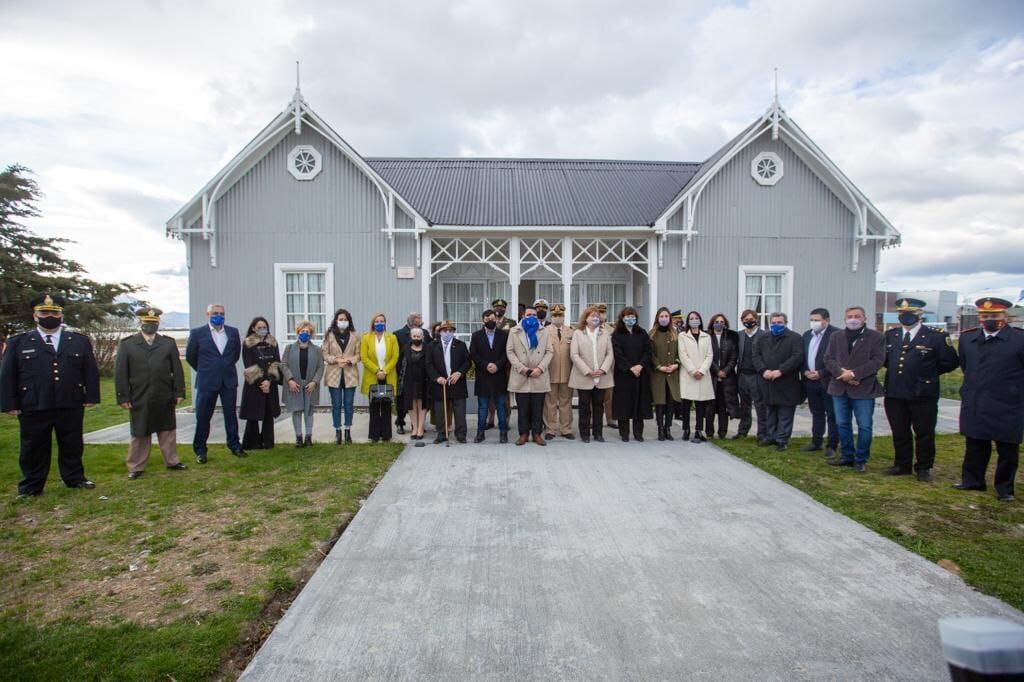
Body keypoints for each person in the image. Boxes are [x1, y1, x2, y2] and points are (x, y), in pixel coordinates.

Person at [1, 294, 100, 496]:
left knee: (72, 443)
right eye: (44, 312)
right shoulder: (18, 342)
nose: (50, 316)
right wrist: (9, 403)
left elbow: (90, 370)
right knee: (33, 446)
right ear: (35, 315)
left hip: (69, 401)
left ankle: (75, 478)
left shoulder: (78, 341)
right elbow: (7, 374)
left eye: (54, 312)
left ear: (61, 315)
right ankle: (31, 486)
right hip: (34, 402)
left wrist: (91, 396)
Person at [952, 297, 1023, 503]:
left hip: (1008, 402)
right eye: (985, 316)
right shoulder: (968, 339)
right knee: (975, 443)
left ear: (1005, 316)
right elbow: (966, 366)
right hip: (976, 399)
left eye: (994, 315)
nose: (989, 319)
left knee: (1007, 448)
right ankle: (973, 480)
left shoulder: (1019, 339)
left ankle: (1004, 488)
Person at [882, 298, 959, 482]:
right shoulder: (890, 335)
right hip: (895, 392)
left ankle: (924, 467)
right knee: (900, 431)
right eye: (902, 313)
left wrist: (927, 374)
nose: (906, 316)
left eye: (910, 313)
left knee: (924, 432)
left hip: (923, 394)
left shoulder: (936, 336)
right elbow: (885, 360)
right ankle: (902, 464)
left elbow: (950, 362)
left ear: (920, 314)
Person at [115, 307, 189, 480]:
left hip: (164, 393)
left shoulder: (168, 343)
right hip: (139, 395)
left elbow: (176, 370)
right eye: (147, 323)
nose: (150, 326)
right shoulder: (128, 344)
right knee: (140, 432)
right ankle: (136, 466)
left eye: (154, 323)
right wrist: (123, 397)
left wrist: (179, 392)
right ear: (140, 323)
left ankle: (172, 461)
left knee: (167, 430)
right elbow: (121, 373)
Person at [824, 306, 885, 471]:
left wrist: (854, 374)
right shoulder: (836, 336)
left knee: (864, 425)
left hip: (863, 388)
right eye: (850, 316)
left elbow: (877, 361)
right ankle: (847, 455)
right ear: (845, 319)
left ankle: (861, 458)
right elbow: (828, 359)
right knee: (842, 423)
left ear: (864, 318)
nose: (853, 319)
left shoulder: (876, 337)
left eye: (857, 316)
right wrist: (842, 374)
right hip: (839, 387)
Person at [185, 303, 245, 463]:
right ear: (208, 314)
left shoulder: (232, 332)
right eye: (215, 313)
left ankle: (234, 445)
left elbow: (235, 355)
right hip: (207, 381)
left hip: (228, 381)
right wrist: (206, 369)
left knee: (230, 415)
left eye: (222, 313)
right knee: (203, 416)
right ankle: (200, 449)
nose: (219, 316)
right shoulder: (198, 333)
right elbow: (191, 356)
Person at [753, 312, 805, 451]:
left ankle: (782, 439)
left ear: (785, 323)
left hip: (787, 381)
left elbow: (797, 357)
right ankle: (770, 436)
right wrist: (763, 370)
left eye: (779, 322)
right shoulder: (763, 337)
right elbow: (756, 355)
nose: (776, 325)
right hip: (768, 380)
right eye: (773, 322)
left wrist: (780, 370)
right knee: (770, 411)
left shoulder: (795, 338)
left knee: (785, 413)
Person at [507, 305, 553, 446]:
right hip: (521, 375)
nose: (531, 317)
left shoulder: (544, 331)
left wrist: (540, 368)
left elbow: (549, 351)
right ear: (523, 316)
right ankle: (523, 434)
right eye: (528, 315)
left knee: (537, 409)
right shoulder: (514, 331)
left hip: (539, 375)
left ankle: (537, 434)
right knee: (523, 409)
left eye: (534, 315)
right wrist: (522, 369)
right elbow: (510, 352)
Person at [570, 306, 614, 443]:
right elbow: (574, 354)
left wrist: (603, 369)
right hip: (584, 376)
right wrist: (588, 370)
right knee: (584, 407)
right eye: (591, 316)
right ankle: (584, 433)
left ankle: (598, 433)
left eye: (597, 316)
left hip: (601, 376)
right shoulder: (578, 333)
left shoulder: (605, 333)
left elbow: (609, 353)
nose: (594, 318)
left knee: (598, 406)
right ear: (586, 318)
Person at [240, 316, 282, 451]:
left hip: (270, 383)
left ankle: (268, 442)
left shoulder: (273, 342)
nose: (263, 330)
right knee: (253, 414)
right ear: (253, 328)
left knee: (268, 413)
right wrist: (261, 382)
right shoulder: (248, 343)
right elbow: (248, 364)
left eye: (265, 327)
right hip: (254, 383)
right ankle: (252, 442)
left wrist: (269, 381)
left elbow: (276, 362)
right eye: (259, 328)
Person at [802, 308, 839, 458]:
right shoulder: (806, 335)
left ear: (826, 320)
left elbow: (838, 359)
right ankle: (816, 441)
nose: (814, 323)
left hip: (828, 381)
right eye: (812, 320)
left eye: (817, 320)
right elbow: (803, 356)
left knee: (832, 414)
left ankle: (832, 445)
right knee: (816, 412)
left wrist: (822, 372)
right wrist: (804, 371)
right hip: (810, 380)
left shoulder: (836, 335)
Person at [611, 306, 653, 442]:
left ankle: (638, 432)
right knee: (624, 403)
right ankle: (624, 433)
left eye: (632, 316)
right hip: (624, 374)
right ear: (622, 318)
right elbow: (617, 353)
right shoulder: (617, 334)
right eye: (627, 316)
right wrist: (630, 367)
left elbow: (648, 351)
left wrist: (640, 366)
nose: (630, 319)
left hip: (640, 374)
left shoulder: (642, 333)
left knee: (639, 403)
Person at [469, 309, 510, 443]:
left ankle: (503, 433)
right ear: (483, 321)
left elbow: (506, 354)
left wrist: (497, 365)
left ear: (497, 319)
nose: (491, 321)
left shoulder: (504, 335)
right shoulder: (476, 336)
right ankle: (480, 433)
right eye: (488, 319)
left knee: (501, 408)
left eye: (493, 319)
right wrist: (486, 365)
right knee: (482, 408)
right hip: (483, 376)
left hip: (499, 376)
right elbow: (474, 354)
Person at [427, 320, 470, 444]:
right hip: (440, 383)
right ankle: (442, 433)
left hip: (457, 382)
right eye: (445, 330)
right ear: (440, 332)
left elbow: (467, 362)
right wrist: (436, 377)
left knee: (460, 410)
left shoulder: (460, 345)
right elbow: (428, 364)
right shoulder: (432, 345)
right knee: (440, 410)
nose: (447, 333)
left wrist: (460, 373)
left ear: (453, 332)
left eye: (450, 330)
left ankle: (461, 434)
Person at [281, 321, 323, 448]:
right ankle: (298, 437)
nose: (305, 333)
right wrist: (290, 380)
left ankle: (308, 436)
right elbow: (283, 365)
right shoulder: (289, 348)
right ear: (298, 332)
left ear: (311, 334)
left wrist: (314, 382)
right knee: (297, 411)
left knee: (309, 411)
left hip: (310, 385)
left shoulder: (316, 350)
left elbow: (320, 367)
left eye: (308, 332)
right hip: (295, 385)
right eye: (302, 331)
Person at [322, 309, 361, 445]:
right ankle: (337, 431)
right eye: (340, 319)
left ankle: (348, 430)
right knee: (336, 404)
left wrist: (349, 360)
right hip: (334, 374)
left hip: (350, 374)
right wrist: (336, 360)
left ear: (348, 321)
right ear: (336, 320)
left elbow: (359, 354)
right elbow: (324, 354)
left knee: (349, 404)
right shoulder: (329, 335)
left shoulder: (355, 335)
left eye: (345, 319)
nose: (342, 321)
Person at [360, 313, 399, 443]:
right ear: (373, 323)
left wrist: (385, 370)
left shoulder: (392, 338)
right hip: (373, 376)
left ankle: (386, 434)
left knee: (387, 405)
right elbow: (364, 357)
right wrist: (377, 370)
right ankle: (374, 435)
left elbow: (395, 357)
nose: (379, 323)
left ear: (385, 323)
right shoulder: (366, 338)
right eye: (377, 321)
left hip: (387, 375)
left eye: (382, 321)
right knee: (374, 406)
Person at [678, 310, 714, 442]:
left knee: (700, 405)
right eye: (691, 318)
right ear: (688, 321)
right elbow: (683, 355)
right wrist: (693, 371)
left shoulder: (706, 336)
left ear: (700, 320)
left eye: (696, 318)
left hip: (702, 374)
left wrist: (702, 370)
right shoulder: (683, 336)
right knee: (686, 404)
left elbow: (709, 355)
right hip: (689, 374)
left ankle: (699, 430)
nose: (694, 320)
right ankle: (686, 429)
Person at [393, 312, 431, 435]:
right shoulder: (398, 335)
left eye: (420, 318)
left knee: (422, 404)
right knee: (407, 404)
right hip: (407, 378)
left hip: (423, 380)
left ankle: (420, 427)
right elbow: (398, 360)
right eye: (418, 318)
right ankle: (402, 423)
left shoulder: (425, 335)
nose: (420, 320)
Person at [735, 309, 768, 442]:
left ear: (756, 320)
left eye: (751, 319)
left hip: (757, 375)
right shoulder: (739, 335)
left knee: (760, 405)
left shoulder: (764, 335)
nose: (748, 322)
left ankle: (762, 433)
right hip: (743, 374)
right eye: (745, 320)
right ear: (742, 321)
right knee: (744, 405)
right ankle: (743, 431)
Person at [544, 304, 575, 440]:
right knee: (550, 403)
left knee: (566, 402)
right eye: (555, 316)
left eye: (560, 315)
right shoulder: (544, 331)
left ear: (564, 316)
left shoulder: (571, 331)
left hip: (567, 373)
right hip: (550, 372)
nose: (558, 318)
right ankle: (550, 429)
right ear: (551, 317)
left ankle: (566, 429)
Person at [649, 307, 680, 441]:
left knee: (670, 402)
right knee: (660, 402)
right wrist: (659, 366)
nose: (664, 318)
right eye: (661, 316)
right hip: (658, 374)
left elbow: (680, 352)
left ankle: (668, 428)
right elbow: (651, 354)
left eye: (666, 316)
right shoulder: (652, 334)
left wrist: (676, 363)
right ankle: (660, 429)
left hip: (672, 373)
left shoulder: (675, 334)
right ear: (657, 318)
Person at [706, 313, 739, 439]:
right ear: (712, 323)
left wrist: (725, 371)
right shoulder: (707, 336)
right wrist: (717, 371)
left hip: (727, 377)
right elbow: (707, 355)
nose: (719, 323)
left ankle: (722, 432)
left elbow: (734, 357)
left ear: (725, 323)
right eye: (716, 321)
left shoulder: (731, 337)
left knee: (723, 406)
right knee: (710, 406)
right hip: (711, 376)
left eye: (721, 321)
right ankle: (709, 432)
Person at [595, 303, 618, 430]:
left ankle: (610, 419)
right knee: (594, 395)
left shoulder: (612, 330)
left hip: (609, 366)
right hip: (593, 366)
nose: (601, 315)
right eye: (598, 313)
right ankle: (594, 419)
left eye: (603, 313)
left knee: (609, 395)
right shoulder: (589, 328)